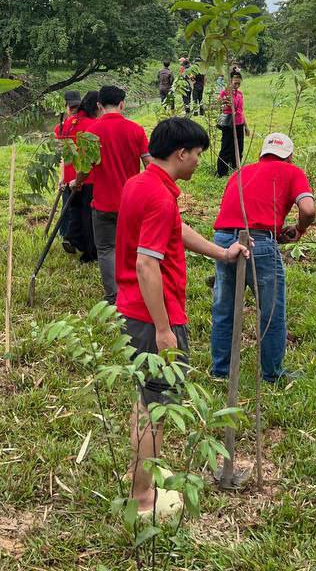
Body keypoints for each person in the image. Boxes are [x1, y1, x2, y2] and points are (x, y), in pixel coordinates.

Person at [114, 117, 248, 515]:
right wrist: (163, 329)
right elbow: (146, 264)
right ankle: (142, 497)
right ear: (181, 153)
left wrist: (221, 253)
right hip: (154, 314)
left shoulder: (141, 184)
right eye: (198, 154)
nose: (199, 162)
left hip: (132, 309)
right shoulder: (158, 196)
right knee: (156, 406)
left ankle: (137, 475)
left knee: (146, 398)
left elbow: (176, 228)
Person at [210, 132, 315, 383]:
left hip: (224, 240)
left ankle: (220, 370)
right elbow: (308, 209)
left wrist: (275, 231)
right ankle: (272, 373)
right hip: (259, 243)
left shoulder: (240, 173)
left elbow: (241, 211)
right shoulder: (292, 172)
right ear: (289, 156)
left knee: (225, 307)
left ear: (261, 154)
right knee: (271, 310)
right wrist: (299, 229)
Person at [77, 85, 150, 304]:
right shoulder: (136, 130)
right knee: (133, 248)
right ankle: (136, 291)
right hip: (132, 203)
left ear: (99, 105)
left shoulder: (90, 134)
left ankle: (113, 297)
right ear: (122, 104)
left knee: (107, 249)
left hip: (103, 203)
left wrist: (77, 183)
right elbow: (149, 164)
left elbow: (84, 168)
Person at [66, 91, 101, 263]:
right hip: (89, 178)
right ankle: (89, 252)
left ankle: (73, 239)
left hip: (70, 177)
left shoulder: (69, 123)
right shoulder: (94, 125)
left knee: (75, 211)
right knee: (88, 216)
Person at [53, 90, 84, 253]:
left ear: (67, 107)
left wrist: (62, 177)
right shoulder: (92, 123)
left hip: (71, 175)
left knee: (69, 208)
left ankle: (67, 236)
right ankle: (76, 239)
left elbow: (62, 156)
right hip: (86, 175)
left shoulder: (61, 127)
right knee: (82, 210)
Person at [216, 70, 247, 177]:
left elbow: (241, 111)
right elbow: (218, 103)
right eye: (235, 80)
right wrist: (224, 103)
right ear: (230, 81)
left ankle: (235, 168)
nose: (237, 83)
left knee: (239, 148)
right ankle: (221, 172)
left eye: (239, 80)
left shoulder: (240, 94)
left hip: (239, 124)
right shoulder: (225, 92)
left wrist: (246, 126)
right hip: (229, 124)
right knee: (226, 147)